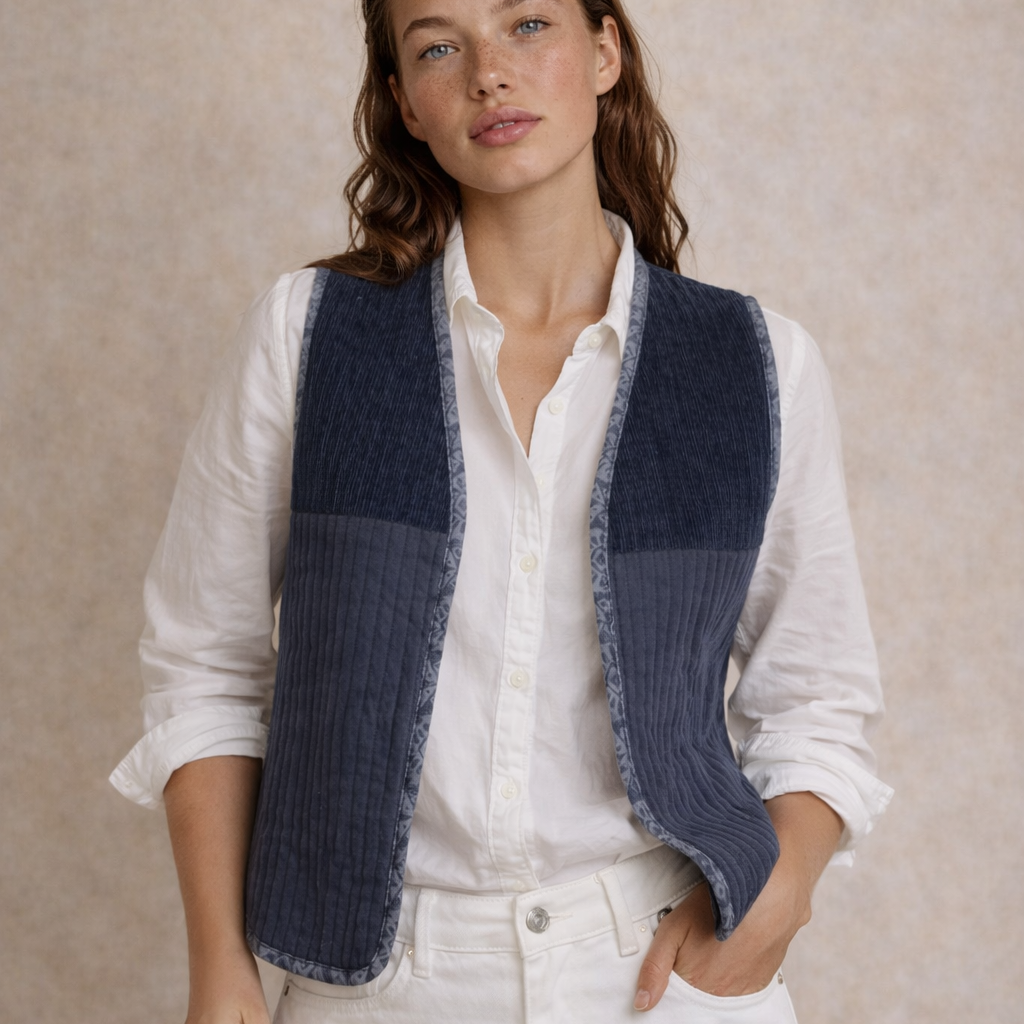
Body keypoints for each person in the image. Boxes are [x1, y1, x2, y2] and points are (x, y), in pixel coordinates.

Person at [110, 1, 893, 1021]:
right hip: (379, 984)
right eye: (439, 46)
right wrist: (222, 972)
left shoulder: (756, 364)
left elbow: (817, 696)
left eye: (527, 24)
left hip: (663, 973)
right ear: (406, 102)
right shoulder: (307, 338)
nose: (488, 71)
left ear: (604, 50)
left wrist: (775, 899)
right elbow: (206, 668)